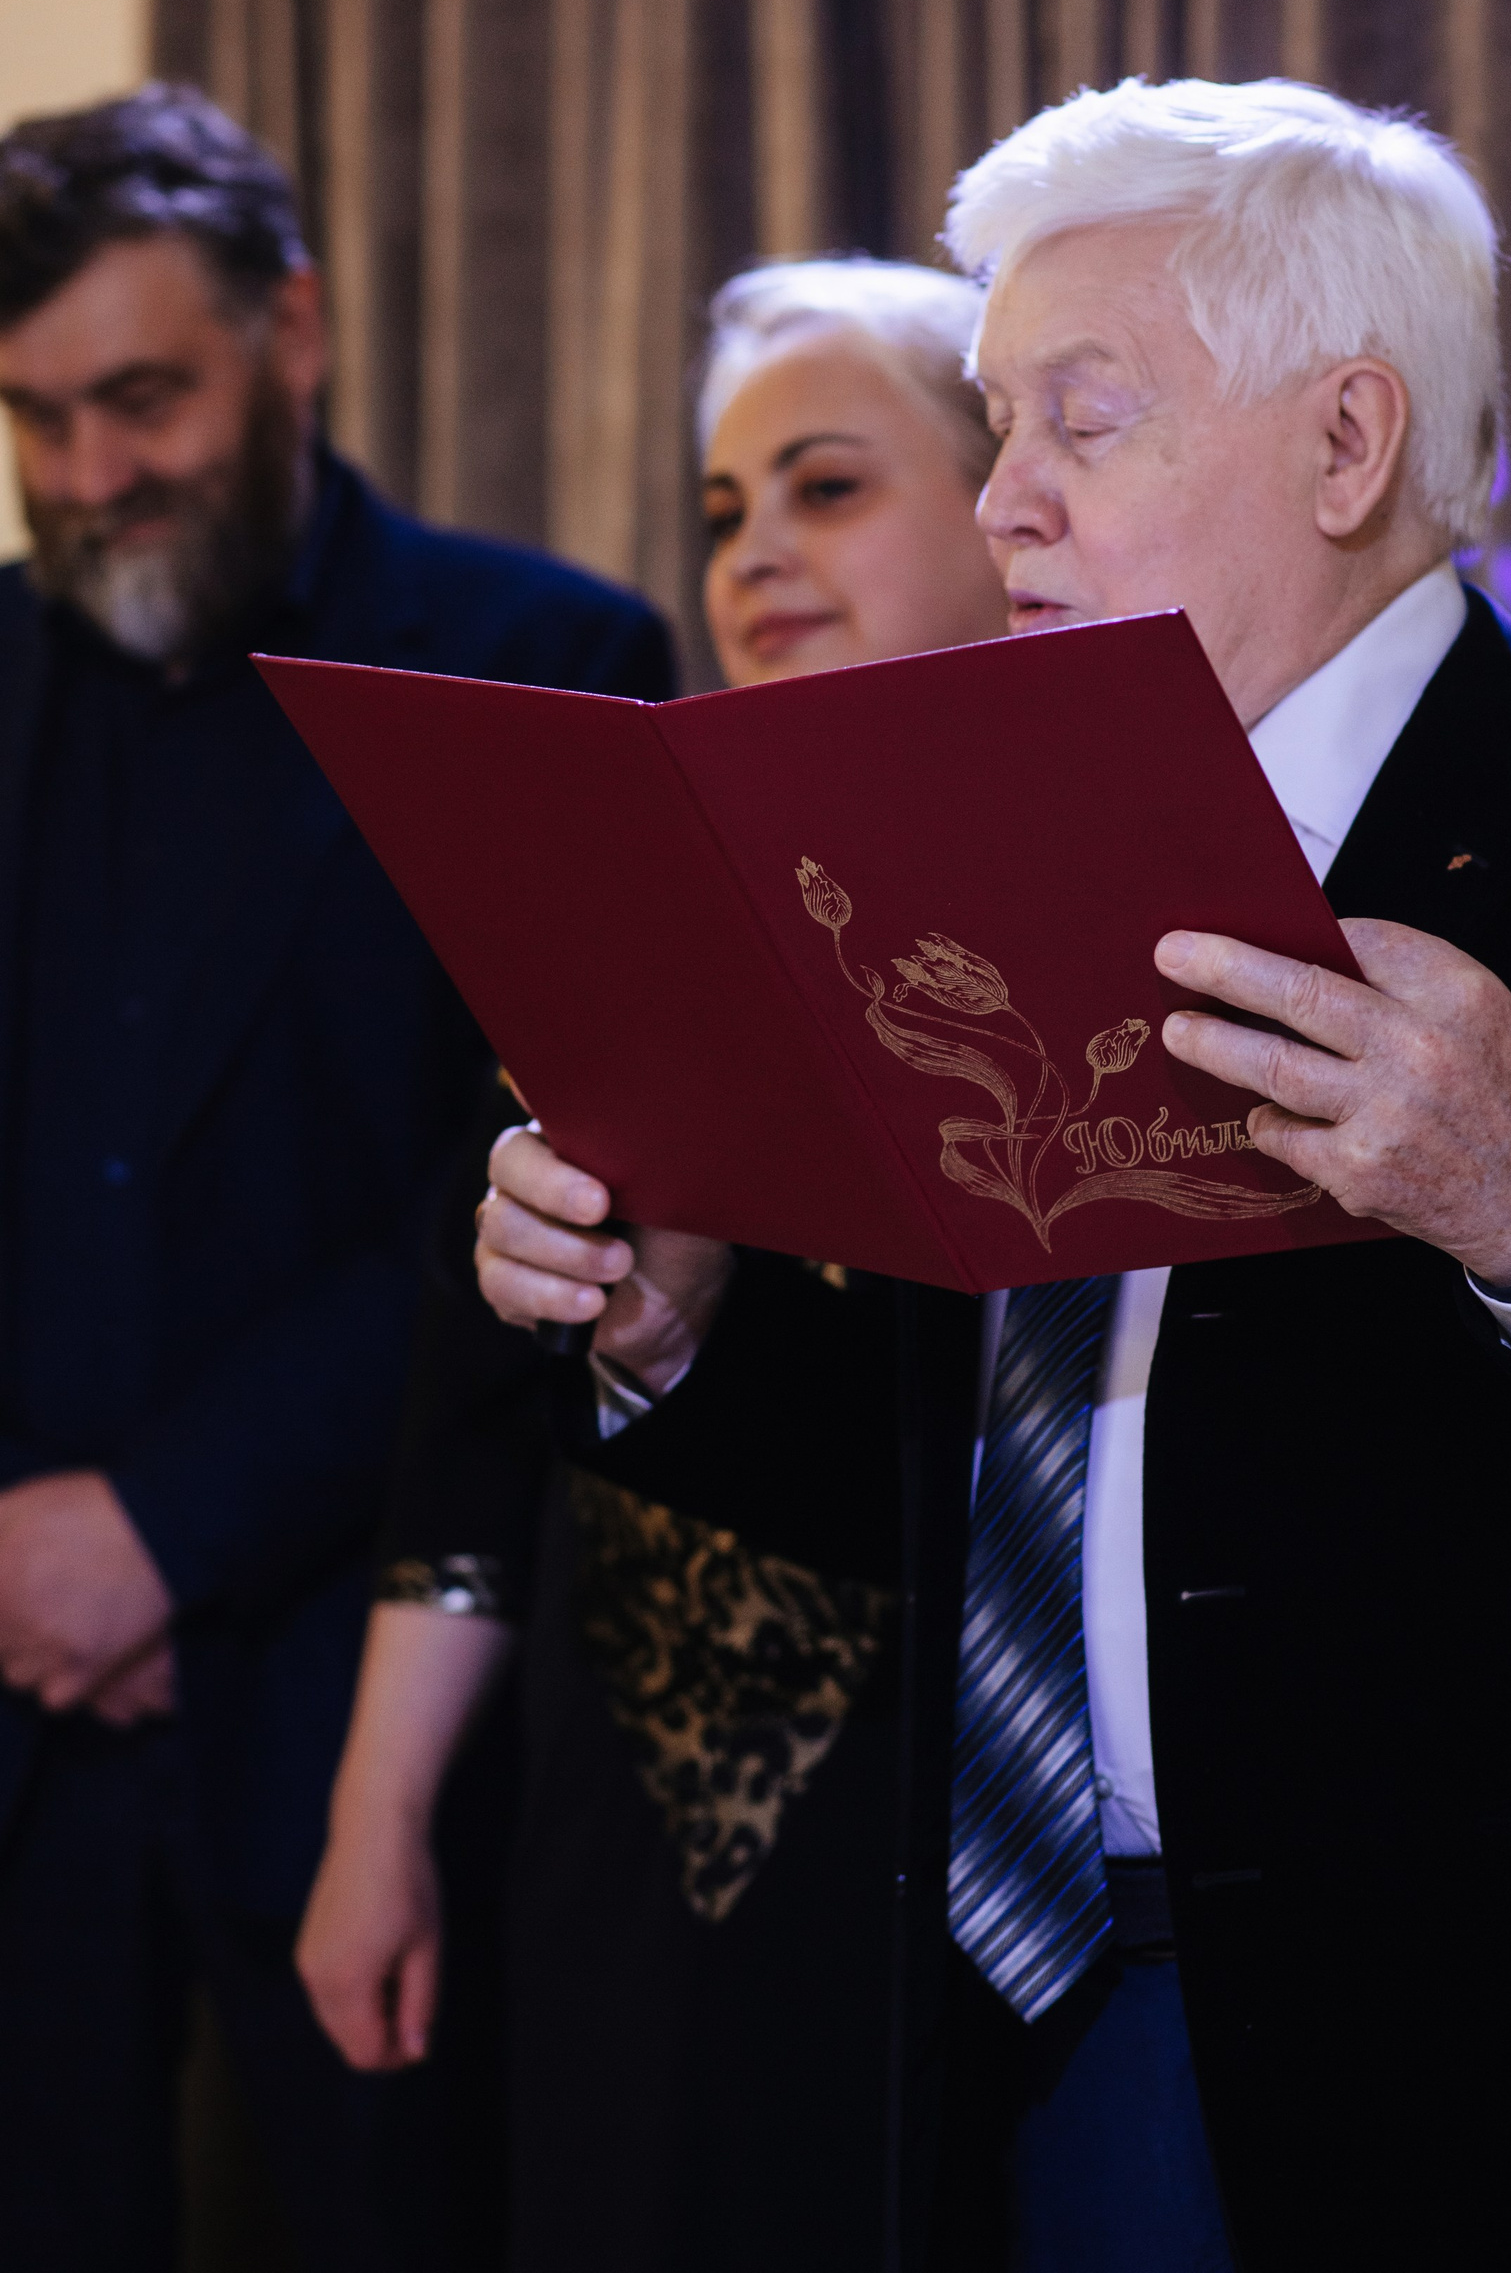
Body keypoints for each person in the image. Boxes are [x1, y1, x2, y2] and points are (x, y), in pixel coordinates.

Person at [477, 76, 1511, 2271]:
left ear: (1346, 446)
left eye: (1082, 419)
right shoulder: (964, 844)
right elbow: (975, 1514)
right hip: (1024, 2046)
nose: (1007, 502)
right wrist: (673, 1339)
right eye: (997, 428)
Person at [0, 84, 673, 2273]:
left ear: (291, 330)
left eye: (143, 400)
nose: (88, 477)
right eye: (33, 419)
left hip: (362, 1697)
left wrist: (156, 1532)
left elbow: (519, 1195)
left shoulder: (545, 661)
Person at [297, 257, 1008, 2269]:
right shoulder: (616, 887)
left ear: (1006, 509)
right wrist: (377, 1820)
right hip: (612, 1814)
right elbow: (470, 1425)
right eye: (722, 510)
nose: (756, 551)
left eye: (826, 487)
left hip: (943, 1834)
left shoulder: (1057, 923)